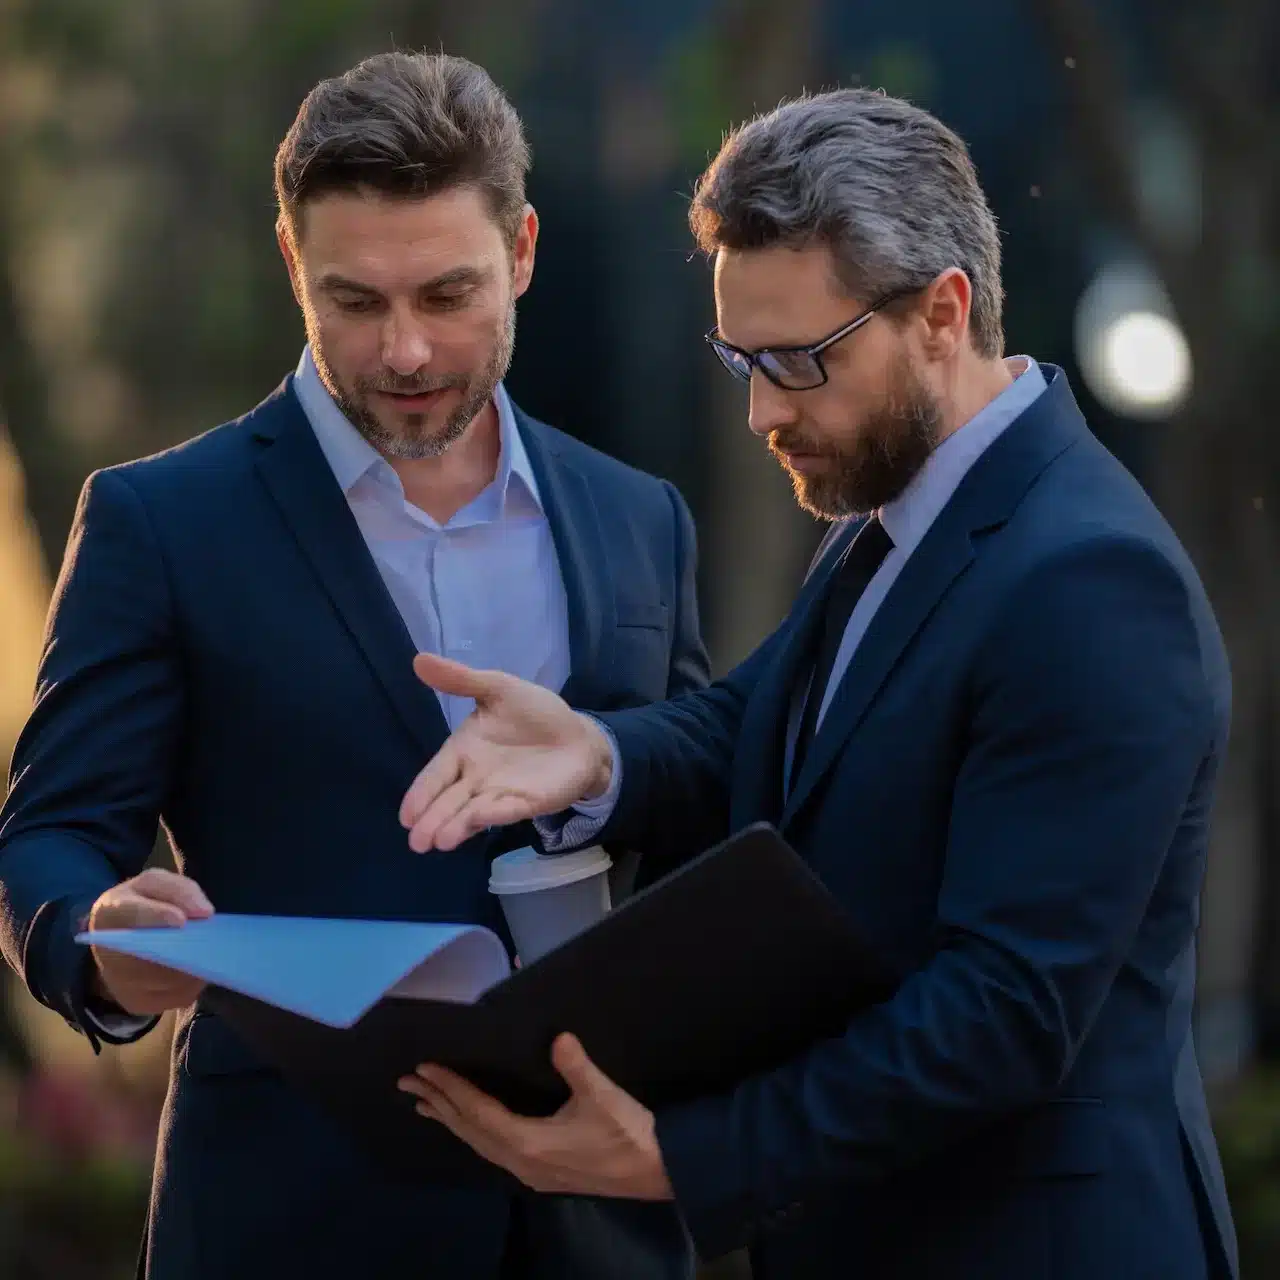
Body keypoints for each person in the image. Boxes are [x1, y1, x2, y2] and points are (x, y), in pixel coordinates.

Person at [397, 88, 1240, 1280]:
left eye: (797, 361)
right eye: (741, 359)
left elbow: (1001, 1011)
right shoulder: (890, 505)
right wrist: (601, 754)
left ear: (942, 312)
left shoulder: (1091, 581)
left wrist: (682, 1152)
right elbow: (786, 722)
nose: (761, 412)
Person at [0, 52, 707, 1280]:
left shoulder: (639, 514)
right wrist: (93, 936)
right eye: (354, 300)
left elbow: (697, 791)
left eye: (448, 294)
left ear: (523, 249)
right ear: (290, 263)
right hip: (285, 1214)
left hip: (598, 1222)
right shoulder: (160, 521)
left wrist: (602, 773)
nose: (405, 351)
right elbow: (46, 837)